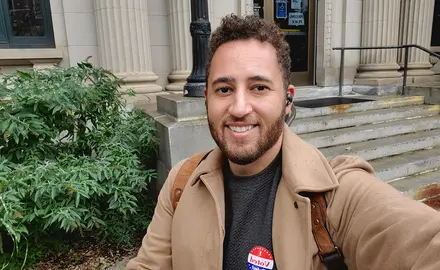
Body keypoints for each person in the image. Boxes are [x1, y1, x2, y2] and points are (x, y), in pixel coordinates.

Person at [126, 14, 440, 270]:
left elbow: (424, 243)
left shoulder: (338, 195)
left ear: (287, 101)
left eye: (259, 88)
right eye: (224, 89)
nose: (238, 107)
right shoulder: (182, 183)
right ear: (206, 98)